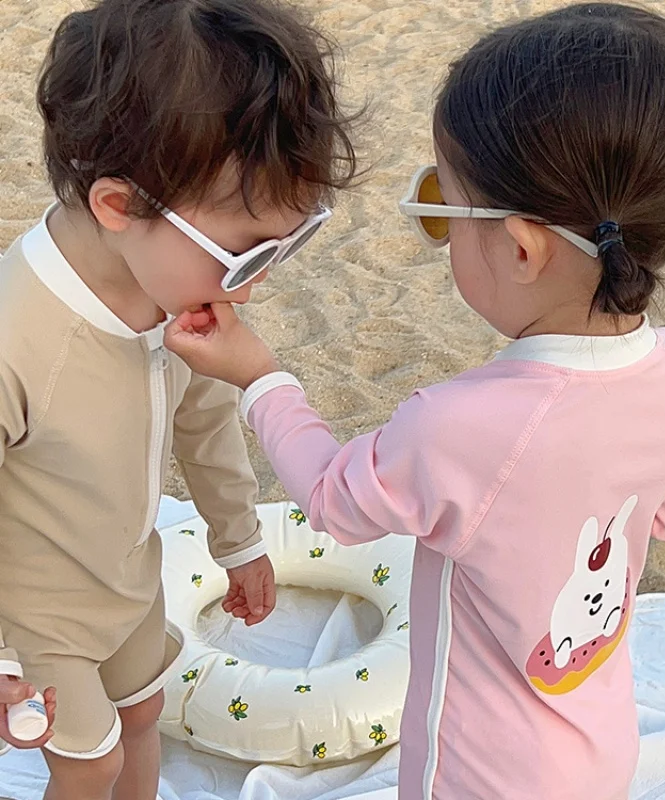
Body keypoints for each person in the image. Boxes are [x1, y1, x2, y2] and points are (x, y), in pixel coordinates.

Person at [163, 3, 665, 799]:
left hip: (477, 773)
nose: (438, 227)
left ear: (521, 248)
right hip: (600, 747)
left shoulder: (460, 424)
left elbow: (330, 499)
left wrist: (259, 377)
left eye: (439, 208)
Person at [0, 0, 357, 798]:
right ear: (118, 207)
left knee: (142, 710)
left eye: (285, 247)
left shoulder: (166, 290)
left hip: (128, 578)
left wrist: (237, 540)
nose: (258, 284)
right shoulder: (18, 339)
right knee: (87, 762)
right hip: (33, 613)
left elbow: (203, 417)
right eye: (240, 258)